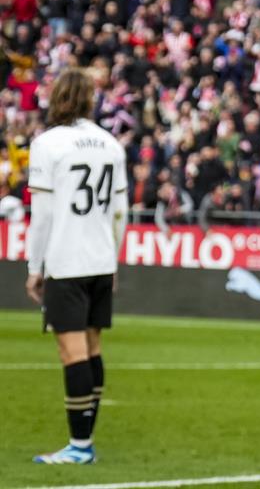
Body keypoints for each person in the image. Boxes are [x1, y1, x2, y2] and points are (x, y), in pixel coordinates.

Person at [25, 68, 129, 464]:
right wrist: (114, 258)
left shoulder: (48, 144)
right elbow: (120, 211)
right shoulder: (110, 144)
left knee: (72, 353)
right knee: (92, 348)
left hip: (66, 261)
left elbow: (43, 214)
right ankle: (85, 440)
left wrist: (35, 266)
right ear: (89, 100)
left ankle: (80, 446)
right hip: (101, 258)